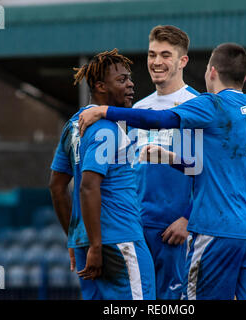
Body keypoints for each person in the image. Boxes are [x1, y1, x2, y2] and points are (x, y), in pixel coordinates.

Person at [77, 43, 246, 300]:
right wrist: (172, 159)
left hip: (218, 230)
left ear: (212, 72)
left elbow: (159, 119)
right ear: (245, 77)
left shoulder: (213, 104)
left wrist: (104, 110)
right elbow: (223, 167)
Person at [49, 49, 155, 300]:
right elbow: (87, 186)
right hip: (120, 240)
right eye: (121, 80)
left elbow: (56, 186)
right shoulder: (105, 129)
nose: (130, 84)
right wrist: (96, 245)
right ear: (100, 86)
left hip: (89, 244)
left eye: (129, 78)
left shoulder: (73, 125)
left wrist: (76, 240)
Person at [131, 25, 199, 300]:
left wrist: (188, 219)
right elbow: (131, 169)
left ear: (182, 61)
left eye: (165, 55)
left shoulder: (198, 107)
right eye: (152, 54)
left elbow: (211, 172)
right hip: (138, 227)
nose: (156, 62)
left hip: (176, 231)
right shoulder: (138, 110)